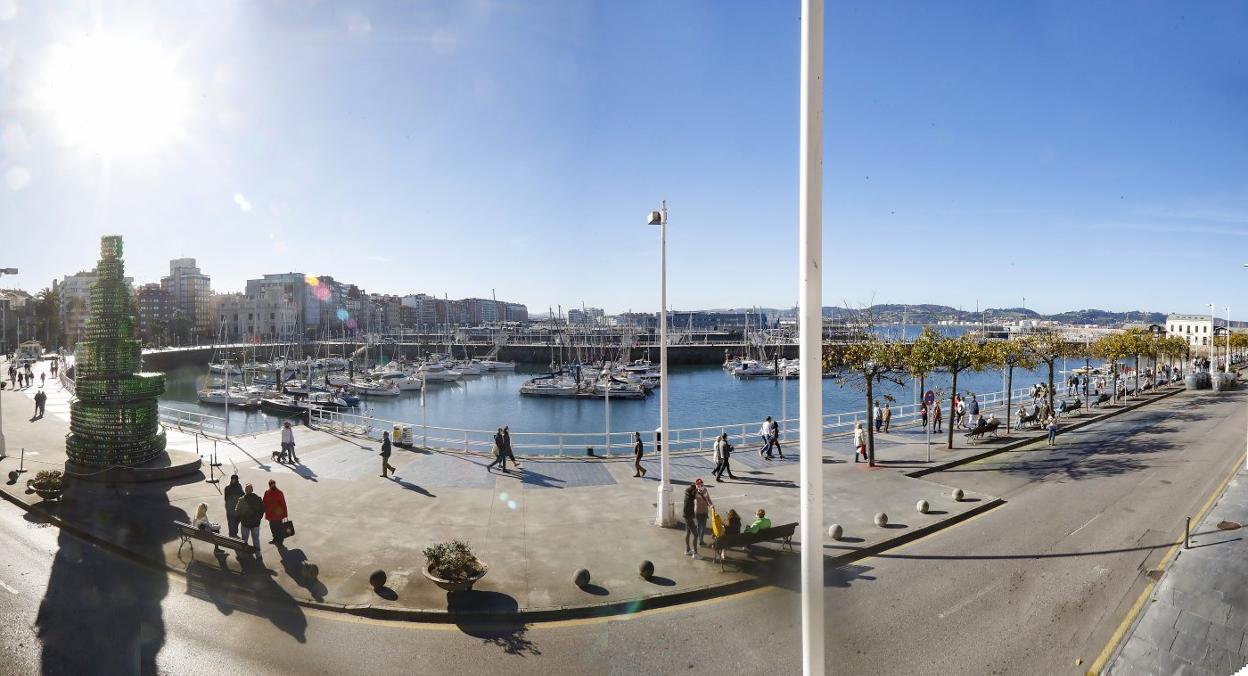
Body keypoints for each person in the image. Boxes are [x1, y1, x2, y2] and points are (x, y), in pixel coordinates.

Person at [235, 483, 265, 557]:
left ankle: (243, 553)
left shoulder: (241, 499)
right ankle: (258, 554)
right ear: (252, 490)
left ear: (245, 490)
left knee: (244, 539)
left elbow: (237, 511)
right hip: (256, 524)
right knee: (256, 539)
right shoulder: (258, 498)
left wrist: (241, 517)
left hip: (245, 524)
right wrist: (259, 518)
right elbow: (262, 509)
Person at [262, 479, 288, 547]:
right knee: (273, 528)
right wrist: (263, 510)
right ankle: (275, 539)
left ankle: (280, 541)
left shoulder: (279, 492)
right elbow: (264, 502)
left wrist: (285, 514)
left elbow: (283, 504)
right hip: (270, 514)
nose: (272, 485)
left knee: (279, 528)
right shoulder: (267, 492)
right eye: (271, 484)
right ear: (269, 485)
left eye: (273, 484)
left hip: (277, 513)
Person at [691, 478, 713, 550]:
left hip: (705, 511)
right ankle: (698, 540)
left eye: (701, 484)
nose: (700, 485)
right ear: (696, 485)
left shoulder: (705, 490)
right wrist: (697, 491)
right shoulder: (695, 492)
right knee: (699, 526)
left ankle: (701, 540)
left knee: (703, 527)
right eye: (698, 484)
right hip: (698, 511)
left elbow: (708, 499)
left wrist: (711, 505)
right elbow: (692, 499)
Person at [683, 484, 699, 557]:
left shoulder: (687, 495)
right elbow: (687, 509)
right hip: (688, 518)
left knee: (688, 533)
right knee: (695, 534)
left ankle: (687, 550)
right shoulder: (690, 499)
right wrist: (692, 516)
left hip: (686, 517)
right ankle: (695, 553)